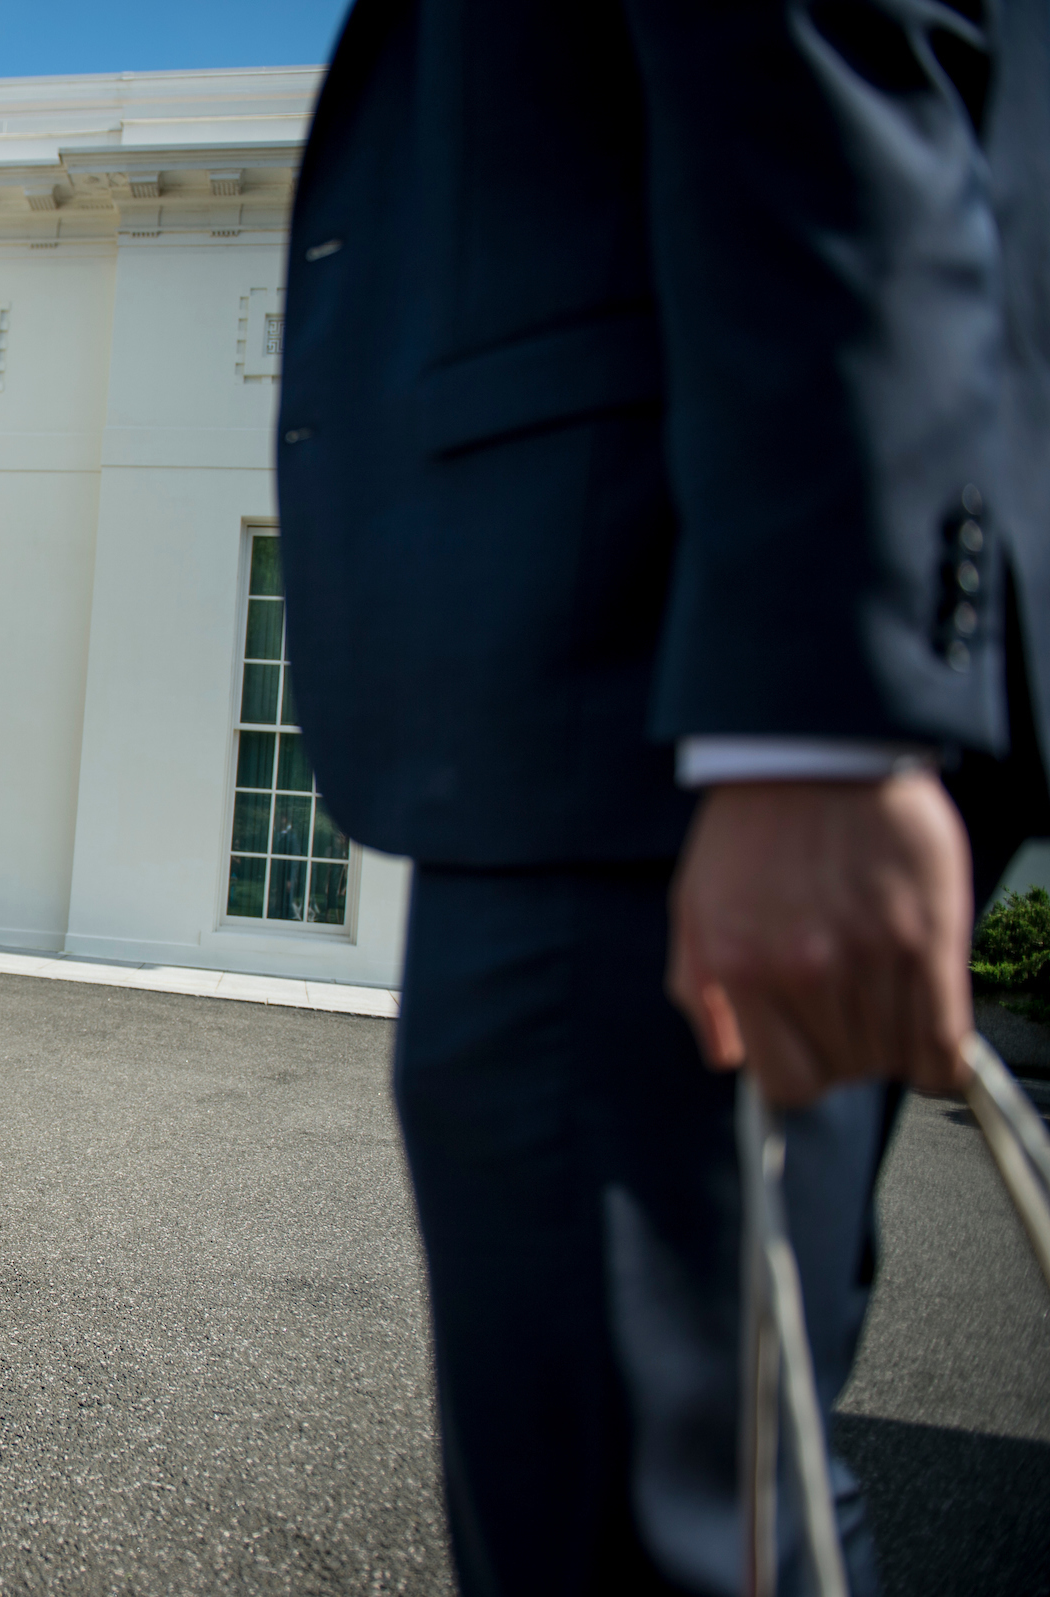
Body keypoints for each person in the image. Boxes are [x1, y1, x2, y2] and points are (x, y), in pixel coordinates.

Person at [276, 3, 1046, 1593]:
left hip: (662, 659)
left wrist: (814, 709)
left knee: (636, 1513)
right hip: (649, 660)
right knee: (708, 1467)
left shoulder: (762, 711)